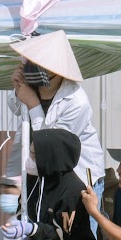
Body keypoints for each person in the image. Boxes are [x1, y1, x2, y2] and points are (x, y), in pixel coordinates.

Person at [10, 37, 103, 193]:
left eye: (43, 64)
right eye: (31, 61)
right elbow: (16, 108)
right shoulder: (31, 87)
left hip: (80, 181)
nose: (34, 66)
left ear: (59, 70)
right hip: (46, 175)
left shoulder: (76, 102)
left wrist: (33, 104)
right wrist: (17, 88)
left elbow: (53, 147)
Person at [5, 128, 97, 240]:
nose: (30, 159)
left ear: (49, 157)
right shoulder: (34, 178)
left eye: (34, 155)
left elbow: (60, 233)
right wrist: (18, 225)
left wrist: (31, 229)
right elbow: (23, 208)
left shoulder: (72, 190)